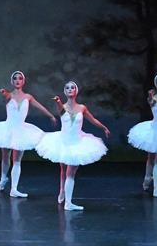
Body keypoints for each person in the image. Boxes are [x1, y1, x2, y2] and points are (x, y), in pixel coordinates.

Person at [0, 71, 56, 197]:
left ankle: (14, 189)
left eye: (20, 78)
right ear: (12, 81)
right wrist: (4, 93)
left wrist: (51, 116)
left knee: (17, 160)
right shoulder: (9, 95)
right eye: (15, 78)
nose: (17, 80)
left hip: (21, 130)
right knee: (5, 156)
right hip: (8, 129)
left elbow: (40, 107)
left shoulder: (28, 97)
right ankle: (3, 178)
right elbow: (6, 96)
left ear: (23, 81)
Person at [35, 81, 110, 211]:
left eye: (72, 87)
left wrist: (104, 128)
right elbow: (61, 110)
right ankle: (62, 191)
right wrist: (58, 102)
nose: (70, 89)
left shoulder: (82, 108)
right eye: (67, 88)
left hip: (77, 142)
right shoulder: (62, 107)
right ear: (65, 91)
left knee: (70, 172)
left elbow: (92, 119)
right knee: (63, 170)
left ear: (76, 91)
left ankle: (68, 202)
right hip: (63, 142)